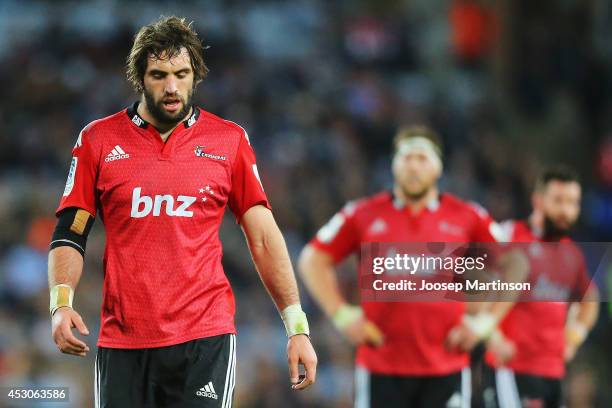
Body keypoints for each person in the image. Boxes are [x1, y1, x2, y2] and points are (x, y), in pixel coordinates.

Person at [48, 16, 317, 407]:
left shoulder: (229, 140)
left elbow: (262, 236)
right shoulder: (98, 140)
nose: (172, 87)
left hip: (204, 339)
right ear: (140, 77)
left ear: (196, 75)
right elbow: (71, 230)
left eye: (182, 73)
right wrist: (61, 303)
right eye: (159, 75)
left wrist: (297, 328)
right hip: (123, 341)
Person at [298, 125, 504, 408]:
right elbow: (312, 259)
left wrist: (484, 324)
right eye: (406, 158)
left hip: (447, 366)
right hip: (381, 366)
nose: (414, 167)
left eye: (422, 158)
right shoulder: (362, 214)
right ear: (394, 166)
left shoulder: (468, 216)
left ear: (438, 168)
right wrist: (342, 316)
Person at [482, 166, 599, 408]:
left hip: (552, 371)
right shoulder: (509, 235)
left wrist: (575, 337)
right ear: (538, 200)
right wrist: (491, 336)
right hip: (510, 368)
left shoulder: (572, 253)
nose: (566, 210)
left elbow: (591, 299)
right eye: (558, 201)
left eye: (573, 203)